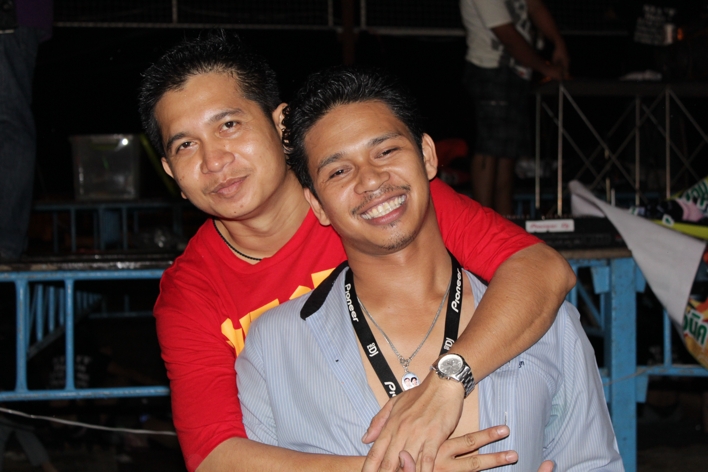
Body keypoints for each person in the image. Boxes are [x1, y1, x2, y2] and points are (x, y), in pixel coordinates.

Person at [137, 31, 576, 472]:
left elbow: (541, 268)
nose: (214, 161)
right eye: (185, 145)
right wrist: (396, 467)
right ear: (171, 171)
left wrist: (449, 379)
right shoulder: (192, 294)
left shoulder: (375, 204)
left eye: (229, 125)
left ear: (281, 124)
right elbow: (215, 456)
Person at [237, 66, 623, 471]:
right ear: (317, 204)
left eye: (386, 152)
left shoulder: (541, 316)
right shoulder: (274, 347)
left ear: (427, 155)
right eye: (338, 171)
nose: (371, 180)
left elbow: (595, 463)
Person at [460, 0, 569, 215]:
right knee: (489, 148)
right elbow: (506, 34)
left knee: (508, 152)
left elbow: (535, 5)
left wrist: (558, 42)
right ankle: (482, 223)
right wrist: (545, 68)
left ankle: (505, 220)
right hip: (489, 69)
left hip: (517, 72)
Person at [0, 0, 53, 260]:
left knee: (8, 121)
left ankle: (5, 241)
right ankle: (6, 241)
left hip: (9, 16)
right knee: (8, 121)